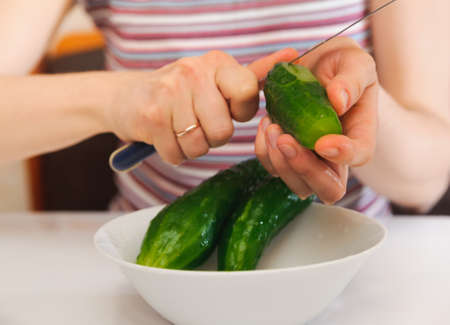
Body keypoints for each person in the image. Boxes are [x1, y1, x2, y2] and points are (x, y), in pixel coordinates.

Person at [0, 0, 448, 216]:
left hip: (353, 269)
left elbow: (426, 180)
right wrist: (120, 100)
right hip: (158, 274)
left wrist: (355, 109)